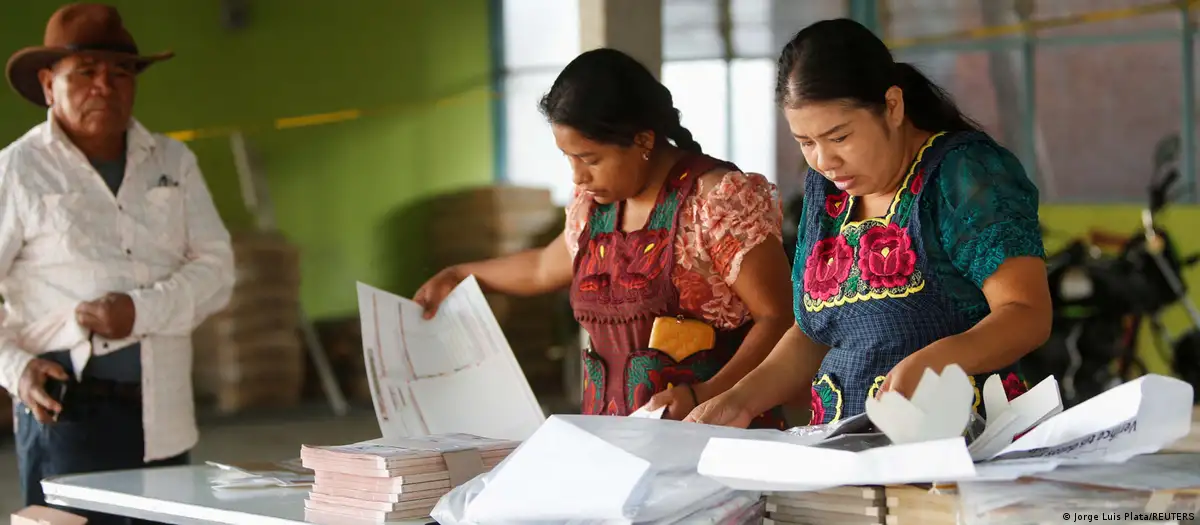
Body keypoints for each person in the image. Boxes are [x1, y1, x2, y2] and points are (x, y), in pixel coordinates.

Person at [686, 18, 1052, 428]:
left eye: (839, 137)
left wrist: (939, 358)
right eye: (806, 143)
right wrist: (737, 400)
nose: (824, 161)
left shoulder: (961, 173)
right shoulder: (827, 193)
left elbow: (1026, 312)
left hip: (960, 444)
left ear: (892, 106)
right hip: (847, 447)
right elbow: (814, 334)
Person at [415, 48, 794, 427]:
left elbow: (779, 318)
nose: (578, 176)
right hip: (615, 447)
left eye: (591, 159)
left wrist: (707, 394)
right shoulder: (594, 208)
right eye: (569, 158)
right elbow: (541, 268)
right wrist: (460, 274)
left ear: (643, 141)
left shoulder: (715, 202)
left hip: (719, 438)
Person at [0, 4, 234, 522]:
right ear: (47, 84)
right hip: (63, 413)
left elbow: (218, 270)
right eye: (85, 72)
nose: (104, 86)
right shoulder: (17, 170)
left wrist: (139, 311)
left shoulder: (174, 162)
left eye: (120, 73)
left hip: (162, 414)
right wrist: (15, 369)